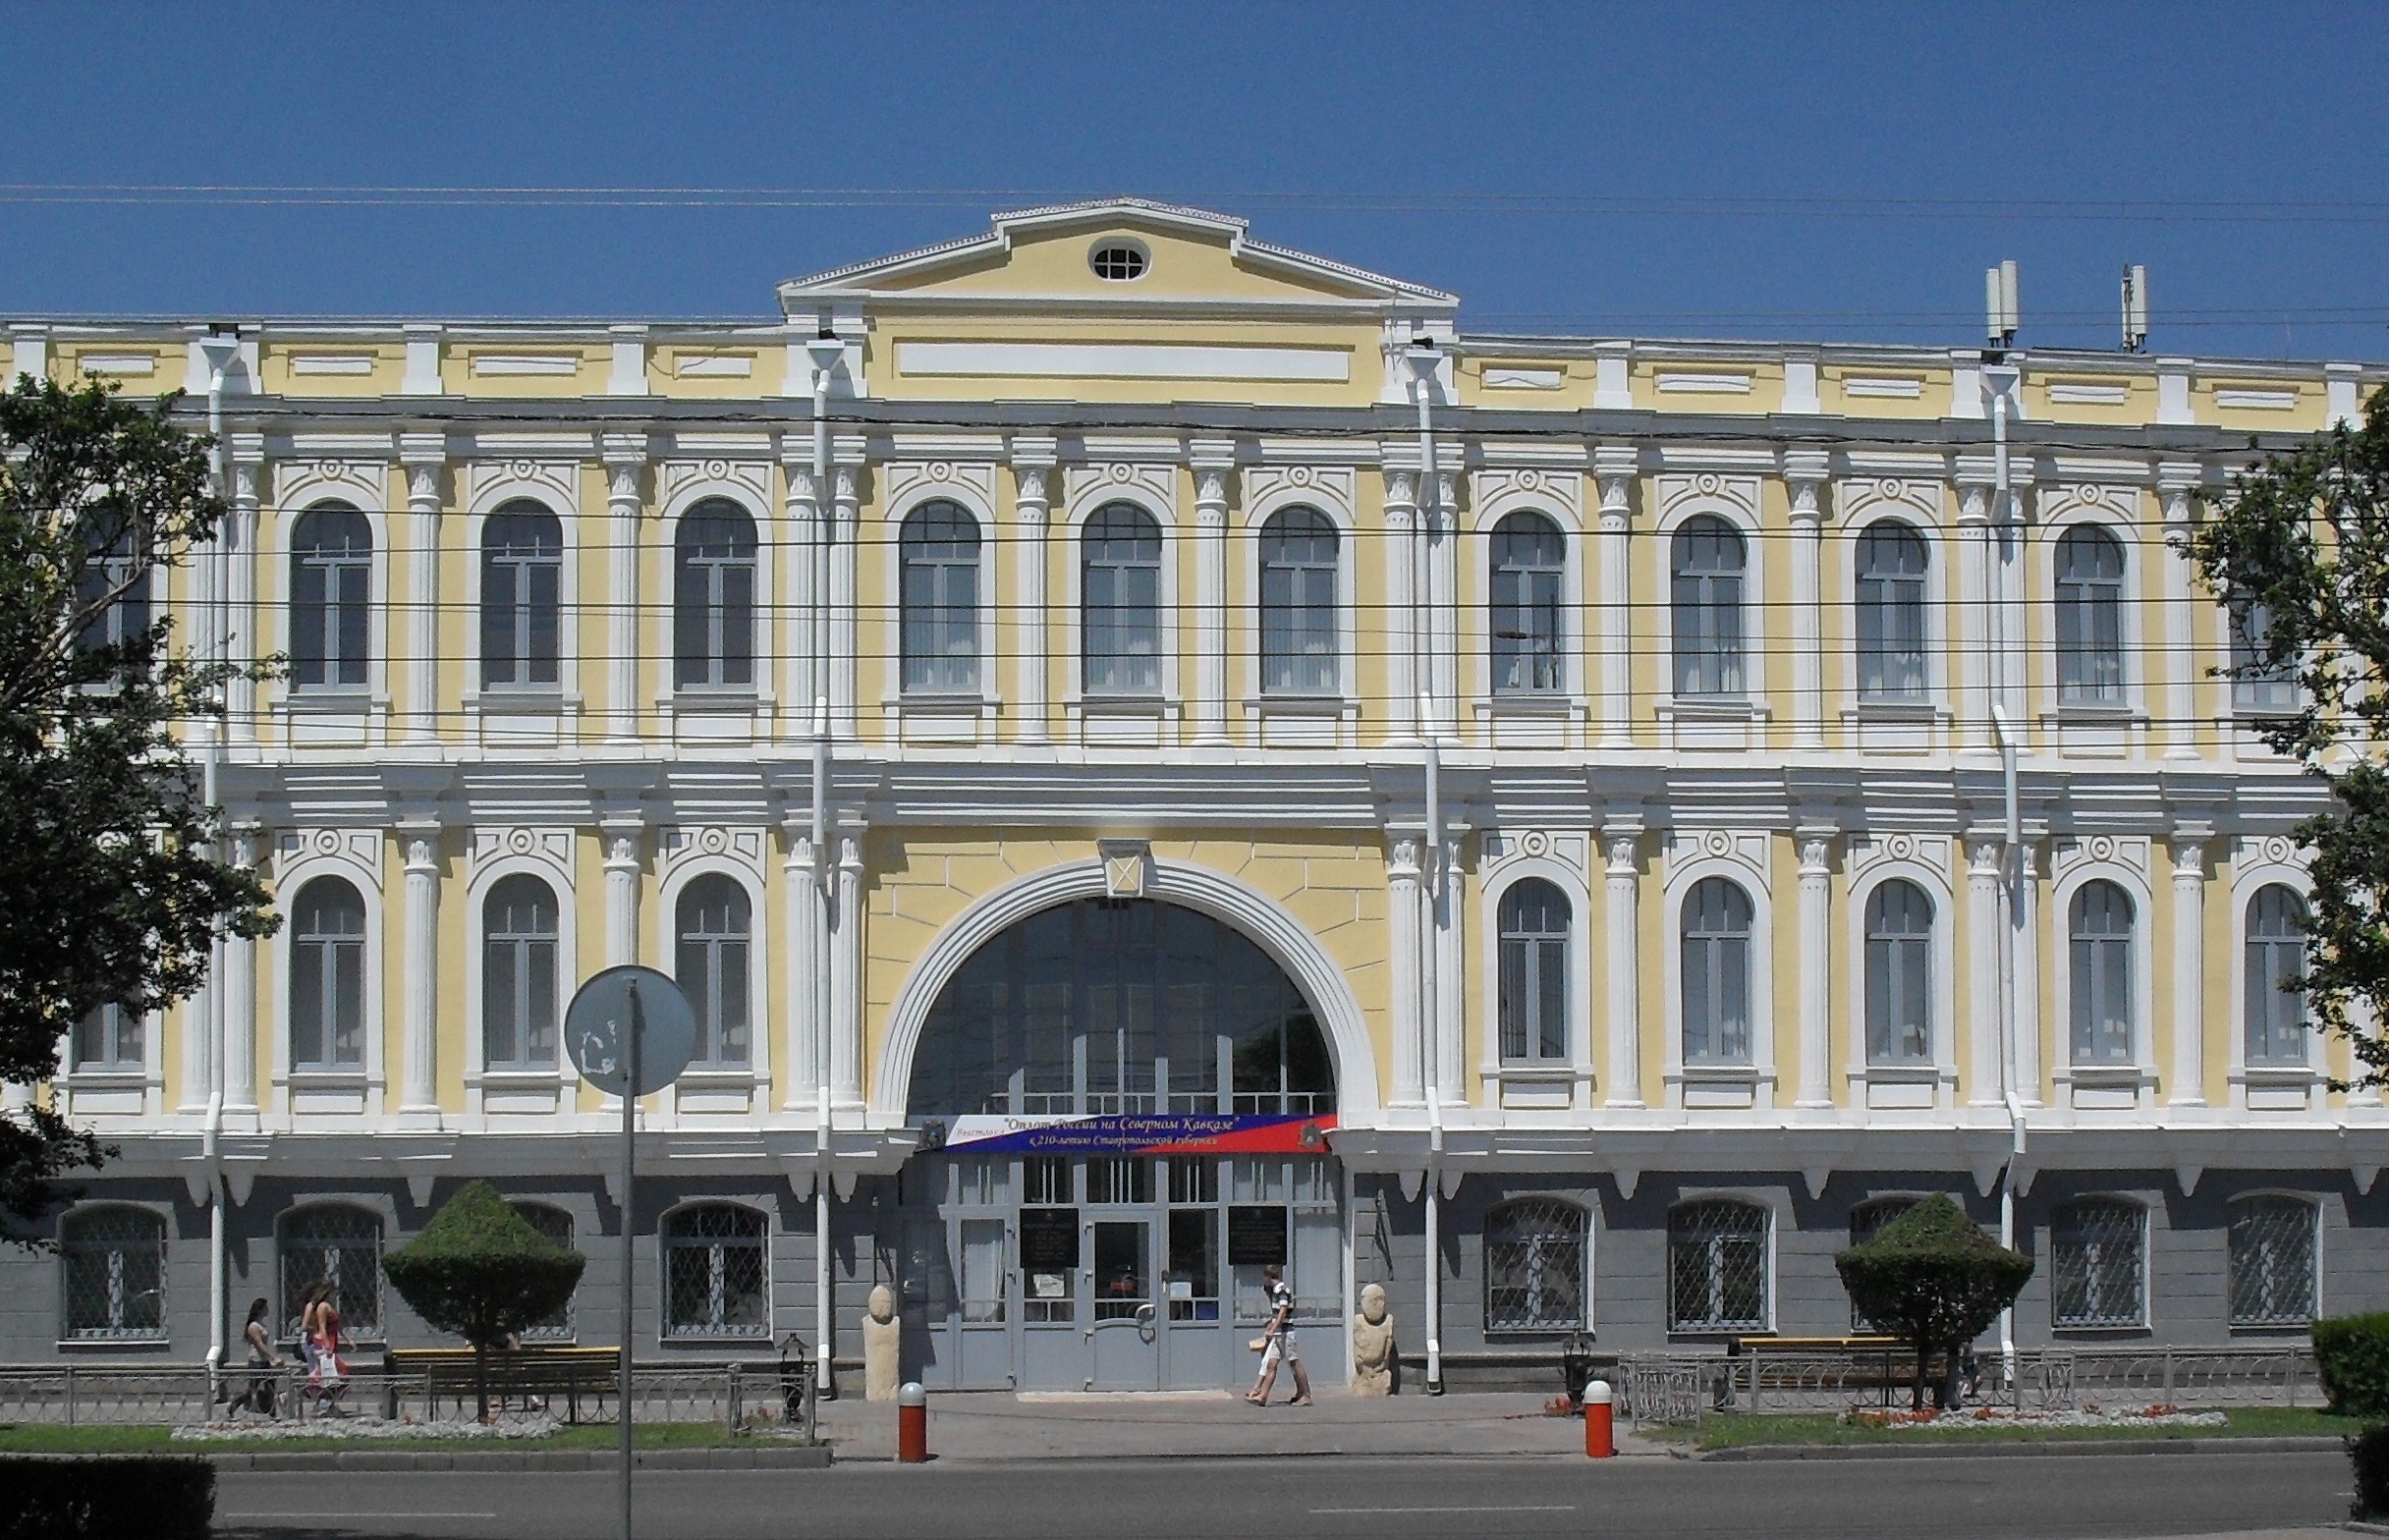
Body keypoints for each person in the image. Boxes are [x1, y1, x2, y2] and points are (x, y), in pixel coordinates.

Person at [1245, 1263, 1311, 1407]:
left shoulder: (1282, 1290)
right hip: (1278, 1333)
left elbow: (1282, 1311)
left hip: (1286, 1333)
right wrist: (1271, 1324)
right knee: (1271, 1363)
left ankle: (1305, 1394)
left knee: (1294, 1362)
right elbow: (1276, 1314)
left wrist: (1272, 1328)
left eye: (1265, 1278)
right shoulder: (1275, 1291)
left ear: (1268, 1277)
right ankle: (1263, 1396)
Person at [226, 1297, 283, 1417]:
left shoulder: (261, 1324)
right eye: (266, 1308)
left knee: (270, 1387)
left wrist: (269, 1358)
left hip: (264, 1361)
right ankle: (233, 1406)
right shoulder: (253, 1326)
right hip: (256, 1361)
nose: (268, 1310)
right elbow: (259, 1343)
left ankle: (273, 1414)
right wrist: (273, 1357)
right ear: (260, 1309)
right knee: (252, 1390)